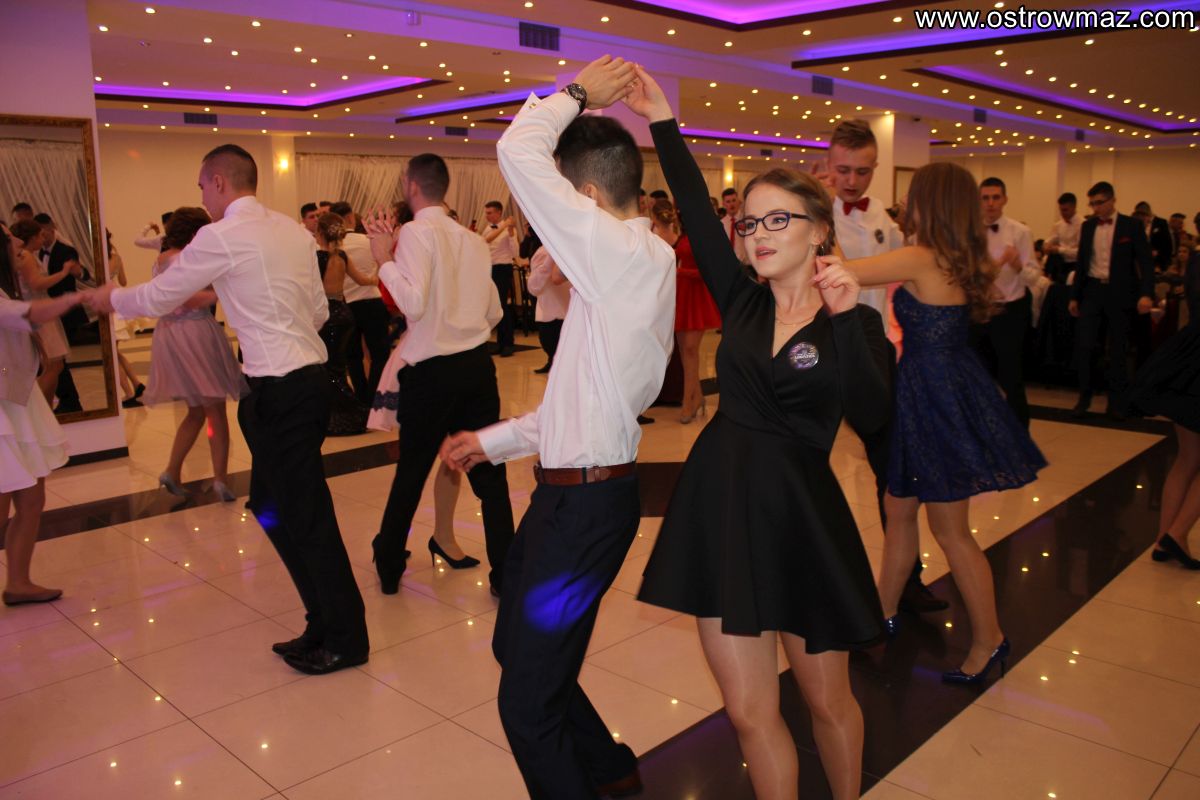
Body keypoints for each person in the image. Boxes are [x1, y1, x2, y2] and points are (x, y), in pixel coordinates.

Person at [629, 66, 886, 800]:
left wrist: (845, 317)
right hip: (722, 509)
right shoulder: (741, 299)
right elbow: (693, 204)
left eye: (779, 220)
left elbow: (875, 415)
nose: (759, 233)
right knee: (748, 712)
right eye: (751, 222)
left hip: (802, 520)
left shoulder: (854, 323)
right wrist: (662, 121)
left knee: (828, 702)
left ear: (819, 231)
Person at [440, 57, 674, 799]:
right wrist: (490, 442)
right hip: (569, 501)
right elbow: (571, 410)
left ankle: (593, 774)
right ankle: (607, 767)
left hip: (585, 510)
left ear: (589, 198)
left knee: (526, 704)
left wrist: (575, 95)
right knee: (518, 646)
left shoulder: (623, 254)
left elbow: (517, 150)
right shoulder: (621, 270)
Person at [86, 144, 369, 676]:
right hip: (290, 385)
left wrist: (112, 298)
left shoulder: (222, 235)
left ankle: (345, 638)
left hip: (284, 388)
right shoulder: (292, 232)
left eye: (201, 185)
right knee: (270, 504)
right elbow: (315, 311)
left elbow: (162, 295)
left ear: (219, 181)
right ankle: (322, 620)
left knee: (306, 516)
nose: (200, 196)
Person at [842, 162, 1046, 687]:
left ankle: (989, 639)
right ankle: (882, 616)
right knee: (899, 507)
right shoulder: (960, 256)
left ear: (929, 203)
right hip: (937, 389)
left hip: (934, 396)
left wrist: (819, 211)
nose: (906, 203)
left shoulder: (921, 256)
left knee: (951, 532)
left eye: (914, 196)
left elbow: (844, 272)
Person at [361, 153, 514, 598]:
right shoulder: (472, 239)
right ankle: (506, 573)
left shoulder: (415, 232)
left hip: (432, 373)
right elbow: (494, 311)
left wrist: (382, 259)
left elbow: (412, 302)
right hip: (477, 368)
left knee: (412, 471)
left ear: (411, 185)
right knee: (490, 475)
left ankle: (390, 565)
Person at [827, 119, 948, 616]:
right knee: (801, 467)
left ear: (875, 168)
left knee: (892, 468)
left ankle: (906, 580)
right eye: (843, 170)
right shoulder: (808, 211)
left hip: (875, 354)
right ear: (829, 164)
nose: (852, 181)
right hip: (820, 351)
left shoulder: (886, 220)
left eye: (862, 171)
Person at [143, 207, 249, 502]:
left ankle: (172, 470)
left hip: (170, 333)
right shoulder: (187, 259)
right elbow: (190, 297)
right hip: (195, 332)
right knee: (215, 411)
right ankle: (220, 479)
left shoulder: (162, 258)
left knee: (195, 410)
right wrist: (220, 291)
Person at [0, 223, 79, 606]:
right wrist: (81, 297)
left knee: (32, 497)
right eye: (8, 236)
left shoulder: (5, 286)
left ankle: (18, 581)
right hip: (3, 406)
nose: (17, 240)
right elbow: (24, 312)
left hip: (17, 399)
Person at [1119, 243, 1200, 568]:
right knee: (1189, 458)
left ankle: (1164, 539)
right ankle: (1176, 534)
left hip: (1189, 356)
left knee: (1187, 457)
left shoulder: (1196, 256)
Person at [1068, 182, 1156, 418]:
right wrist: (1075, 296)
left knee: (1118, 349)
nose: (1095, 208)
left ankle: (1116, 402)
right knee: (1086, 345)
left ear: (1112, 200)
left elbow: (1146, 262)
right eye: (1092, 203)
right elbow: (1082, 263)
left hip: (1121, 293)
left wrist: (1146, 293)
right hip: (1093, 291)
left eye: (1099, 203)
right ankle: (1084, 397)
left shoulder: (1131, 225)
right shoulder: (1088, 226)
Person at [975, 176, 1039, 428]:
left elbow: (1034, 277)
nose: (990, 203)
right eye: (985, 198)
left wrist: (1017, 265)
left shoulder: (1020, 232)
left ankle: (1020, 435)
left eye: (995, 197)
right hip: (979, 311)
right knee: (978, 373)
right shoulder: (969, 232)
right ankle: (985, 430)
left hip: (1010, 310)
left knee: (1011, 376)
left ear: (1005, 200)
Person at [661, 198, 721, 423]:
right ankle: (697, 397)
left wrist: (681, 273)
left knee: (690, 349)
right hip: (683, 295)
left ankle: (689, 401)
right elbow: (676, 257)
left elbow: (708, 270)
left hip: (697, 296)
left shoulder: (706, 234)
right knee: (685, 352)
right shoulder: (685, 235)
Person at [314, 212, 373, 436]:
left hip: (327, 316)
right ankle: (343, 417)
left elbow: (312, 290)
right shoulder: (342, 256)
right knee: (337, 367)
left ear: (320, 233)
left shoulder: (319, 258)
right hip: (344, 314)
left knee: (329, 370)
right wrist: (380, 271)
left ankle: (352, 415)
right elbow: (363, 280)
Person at [9, 219, 76, 406]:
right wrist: (63, 273)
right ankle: (39, 407)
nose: (43, 238)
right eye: (40, 235)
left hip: (39, 309)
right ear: (32, 237)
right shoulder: (26, 255)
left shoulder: (26, 255)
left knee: (55, 365)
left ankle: (44, 408)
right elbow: (36, 284)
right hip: (39, 311)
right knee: (52, 365)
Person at [329, 201, 391, 405]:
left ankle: (361, 398)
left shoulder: (334, 248)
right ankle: (374, 396)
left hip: (347, 305)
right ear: (350, 218)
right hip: (372, 302)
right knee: (380, 354)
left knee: (352, 356)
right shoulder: (367, 241)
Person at [105, 231, 146, 407]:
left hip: (107, 303)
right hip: (118, 301)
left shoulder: (98, 260)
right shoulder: (116, 258)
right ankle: (136, 385)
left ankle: (129, 393)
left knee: (111, 355)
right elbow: (123, 281)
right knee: (115, 353)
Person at [481, 200, 519, 357]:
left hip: (503, 269)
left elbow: (515, 252)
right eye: (486, 212)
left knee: (502, 304)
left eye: (490, 213)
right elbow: (485, 242)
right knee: (494, 306)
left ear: (498, 212)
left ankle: (508, 343)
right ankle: (500, 343)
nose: (487, 216)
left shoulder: (510, 229)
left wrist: (510, 232)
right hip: (489, 269)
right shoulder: (488, 229)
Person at [526, 246, 569, 375]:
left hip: (558, 312)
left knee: (553, 344)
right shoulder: (547, 251)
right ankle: (553, 362)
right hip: (559, 310)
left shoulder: (546, 252)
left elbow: (535, 287)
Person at [1044, 192, 1081, 284]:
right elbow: (1050, 239)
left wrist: (1059, 250)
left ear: (1074, 207)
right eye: (1060, 210)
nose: (1062, 213)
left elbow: (1080, 252)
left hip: (1075, 266)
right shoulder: (1058, 225)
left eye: (1065, 210)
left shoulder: (1083, 224)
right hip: (1059, 265)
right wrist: (1046, 245)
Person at [719, 186, 748, 263]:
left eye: (734, 200)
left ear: (738, 201)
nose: (732, 204)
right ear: (723, 204)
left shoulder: (747, 220)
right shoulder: (721, 224)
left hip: (746, 263)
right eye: (728, 202)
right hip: (727, 263)